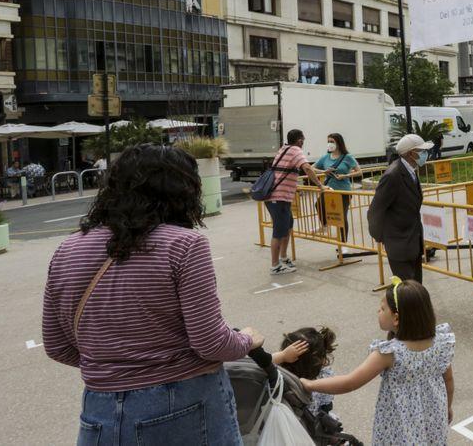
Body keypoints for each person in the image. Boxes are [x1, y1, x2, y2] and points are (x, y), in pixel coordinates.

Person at [42, 144, 263, 444]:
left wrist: (112, 366)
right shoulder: (184, 245)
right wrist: (248, 339)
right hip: (184, 405)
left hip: (99, 409)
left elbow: (56, 345)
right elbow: (210, 343)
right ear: (182, 190)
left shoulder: (67, 250)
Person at [301, 279, 455, 446]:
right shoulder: (440, 344)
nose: (378, 311)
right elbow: (448, 379)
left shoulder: (390, 353)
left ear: (396, 318)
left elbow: (350, 382)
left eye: (382, 309)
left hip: (400, 428)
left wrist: (310, 385)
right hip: (433, 419)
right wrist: (446, 408)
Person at [369, 134, 432, 283]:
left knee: (415, 288)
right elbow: (375, 210)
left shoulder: (410, 170)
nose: (425, 154)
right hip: (399, 244)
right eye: (421, 151)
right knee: (407, 291)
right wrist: (383, 237)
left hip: (413, 242)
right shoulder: (393, 175)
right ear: (411, 153)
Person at [267, 129, 324, 274]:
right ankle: (275, 266)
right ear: (300, 140)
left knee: (288, 227)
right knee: (279, 232)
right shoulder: (296, 150)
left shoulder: (284, 148)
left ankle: (284, 257)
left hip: (282, 197)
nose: (303, 142)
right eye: (303, 140)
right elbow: (307, 168)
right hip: (277, 198)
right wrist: (320, 185)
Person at [277, 327, 339, 424]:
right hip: (312, 426)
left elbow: (259, 363)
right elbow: (326, 407)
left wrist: (281, 356)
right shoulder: (324, 378)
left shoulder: (278, 376)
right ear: (321, 360)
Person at [315, 133, 361, 243]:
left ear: (339, 143)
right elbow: (312, 168)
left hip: (343, 191)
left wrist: (345, 175)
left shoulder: (347, 157)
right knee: (318, 205)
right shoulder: (325, 157)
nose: (330, 144)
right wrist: (324, 171)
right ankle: (324, 226)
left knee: (341, 216)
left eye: (332, 141)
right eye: (328, 141)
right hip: (328, 190)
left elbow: (359, 171)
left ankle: (343, 243)